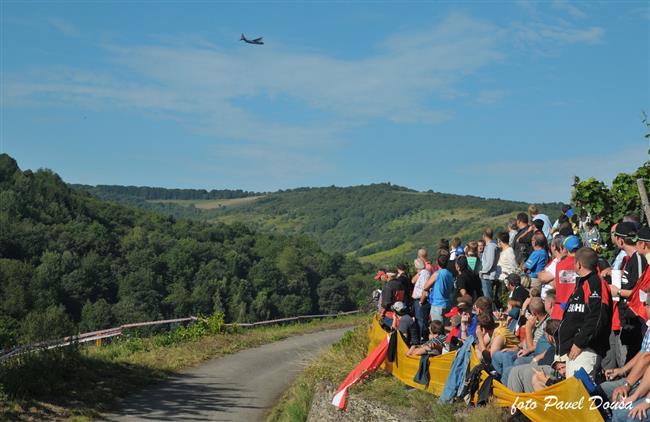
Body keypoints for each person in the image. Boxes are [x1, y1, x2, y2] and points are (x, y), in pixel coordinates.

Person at [555, 247, 612, 378]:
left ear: (578, 264)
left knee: (578, 393)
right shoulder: (581, 284)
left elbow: (597, 317)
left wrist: (580, 342)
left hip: (586, 350)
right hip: (574, 350)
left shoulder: (595, 283)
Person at [424, 250, 454, 323]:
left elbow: (425, 287)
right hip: (447, 303)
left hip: (437, 304)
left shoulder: (437, 274)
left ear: (437, 263)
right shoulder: (450, 274)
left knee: (437, 327)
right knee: (447, 327)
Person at [411, 258, 431, 341]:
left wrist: (421, 301)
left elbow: (424, 289)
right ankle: (422, 337)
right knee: (420, 320)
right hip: (419, 300)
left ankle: (423, 338)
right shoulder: (422, 273)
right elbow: (413, 281)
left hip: (420, 300)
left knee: (421, 321)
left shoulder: (424, 274)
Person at [496, 231, 517, 305]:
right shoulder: (503, 251)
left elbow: (514, 267)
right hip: (501, 279)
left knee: (503, 302)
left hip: (506, 281)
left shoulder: (509, 251)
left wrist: (510, 282)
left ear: (500, 241)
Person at [479, 228, 499, 303]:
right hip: (487, 275)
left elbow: (489, 262)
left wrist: (482, 271)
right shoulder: (490, 246)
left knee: (488, 300)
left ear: (484, 235)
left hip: (487, 276)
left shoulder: (491, 247)